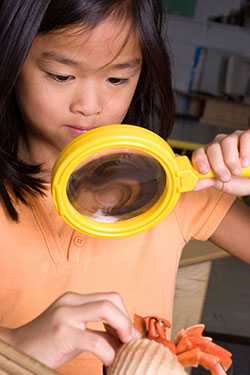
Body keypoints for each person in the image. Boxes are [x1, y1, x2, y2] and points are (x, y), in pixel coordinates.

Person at [0, 1, 249, 374]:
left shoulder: (172, 188)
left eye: (116, 79)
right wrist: (12, 347)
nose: (89, 105)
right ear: (11, 59)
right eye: (61, 76)